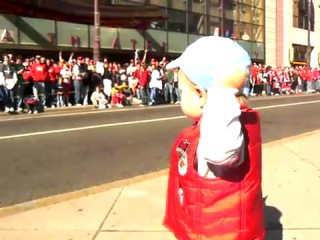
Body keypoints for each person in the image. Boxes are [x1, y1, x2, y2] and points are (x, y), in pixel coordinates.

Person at [163, 36, 265, 240]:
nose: (179, 97)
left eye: (182, 91)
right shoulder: (230, 122)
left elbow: (220, 153)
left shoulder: (223, 128)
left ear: (201, 96)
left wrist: (221, 92)